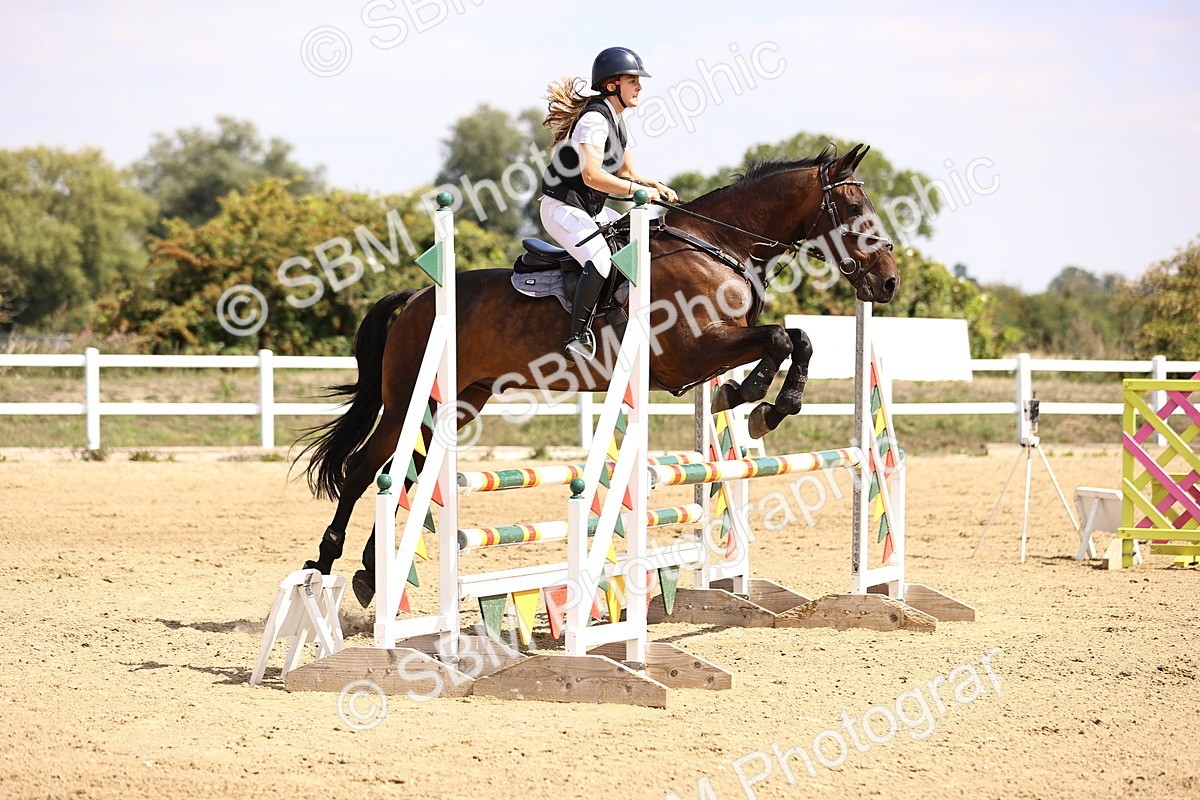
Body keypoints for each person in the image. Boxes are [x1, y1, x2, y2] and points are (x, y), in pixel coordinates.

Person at [540, 46, 679, 364]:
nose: (640, 87)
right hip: (563, 207)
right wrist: (636, 190)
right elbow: (591, 176)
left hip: (589, 208)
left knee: (633, 242)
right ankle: (577, 337)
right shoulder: (594, 121)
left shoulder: (617, 121)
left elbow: (626, 173)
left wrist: (653, 185)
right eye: (633, 80)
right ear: (612, 84)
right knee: (602, 260)